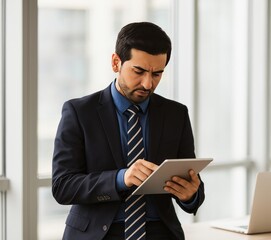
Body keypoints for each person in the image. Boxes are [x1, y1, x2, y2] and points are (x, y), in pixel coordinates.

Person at [52, 22, 205, 240]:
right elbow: (63, 186)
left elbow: (192, 186)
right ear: (116, 62)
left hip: (160, 232)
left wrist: (190, 194)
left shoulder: (176, 114)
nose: (147, 84)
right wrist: (122, 178)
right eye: (139, 71)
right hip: (99, 234)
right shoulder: (79, 112)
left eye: (157, 74)